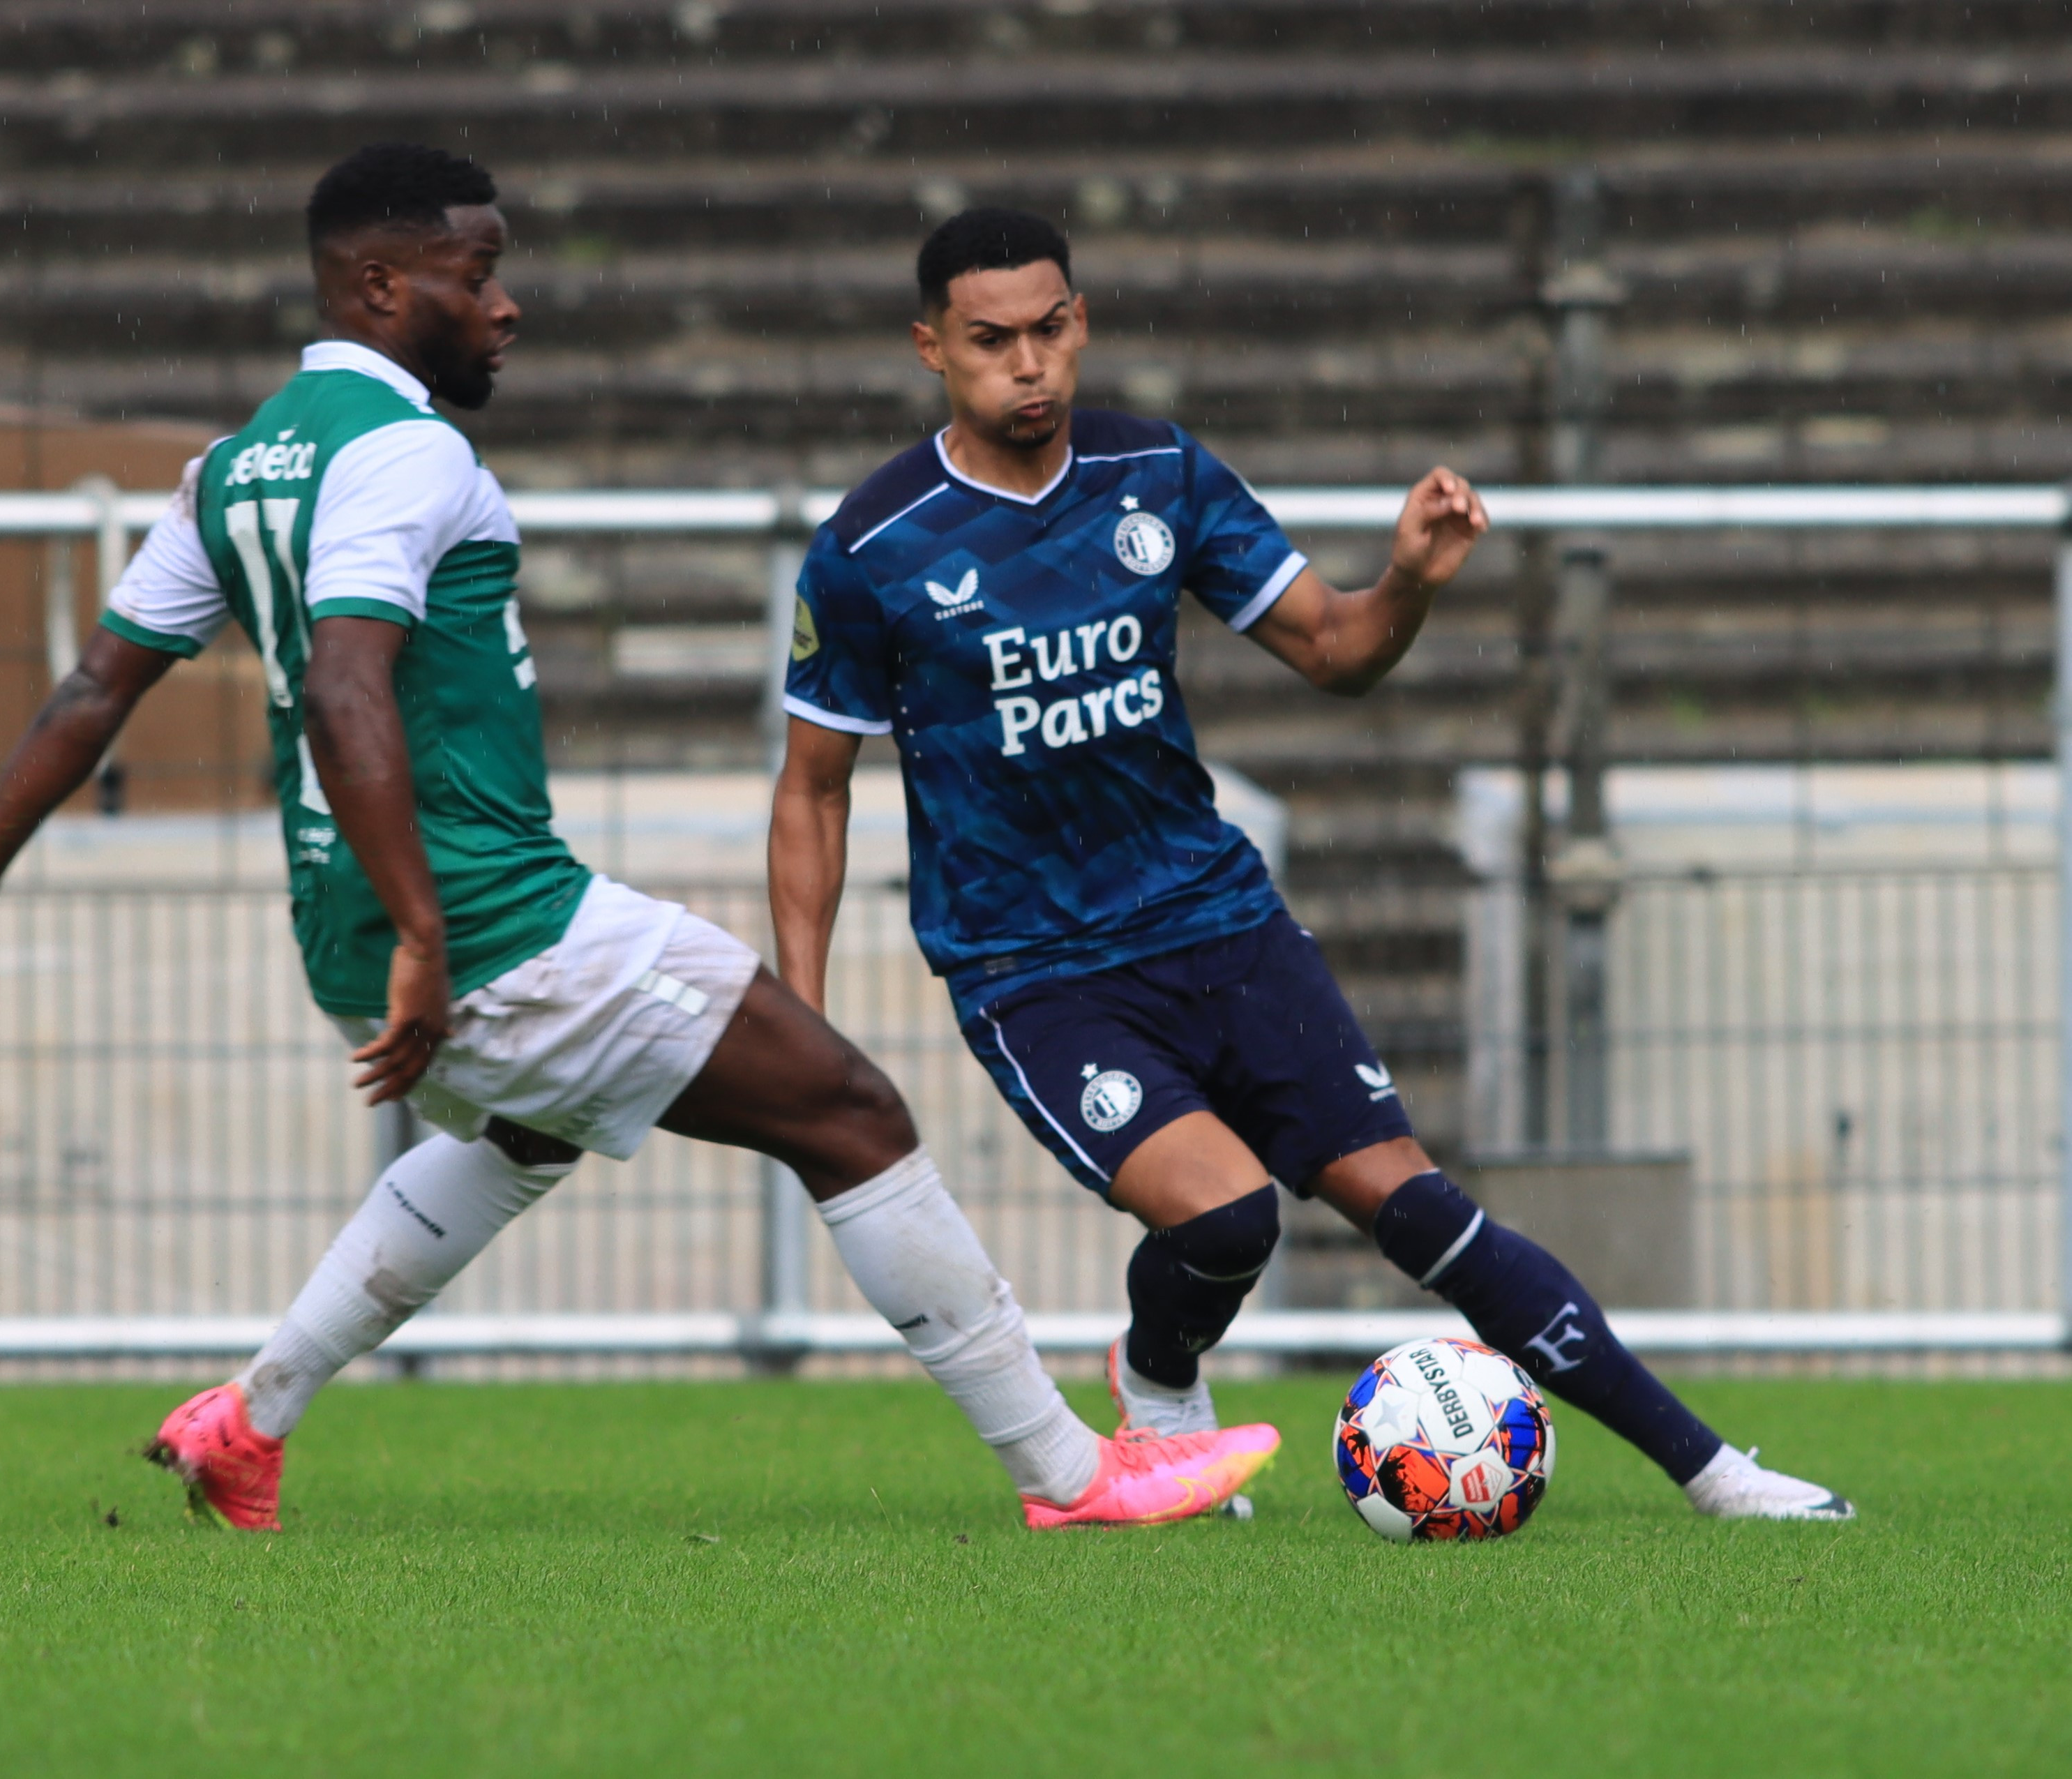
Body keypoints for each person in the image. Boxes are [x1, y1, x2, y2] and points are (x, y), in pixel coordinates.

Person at [0, 149, 1278, 1533]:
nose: (505, 306)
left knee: (528, 1132)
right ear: (381, 287)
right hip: (481, 917)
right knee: (849, 1112)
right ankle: (1072, 1475)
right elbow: (350, 688)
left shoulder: (236, 467)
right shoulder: (406, 454)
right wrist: (428, 931)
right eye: (476, 275)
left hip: (347, 924)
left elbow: (95, 685)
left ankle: (249, 1419)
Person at [767, 207, 1852, 1522]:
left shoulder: (1159, 471)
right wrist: (802, 1021)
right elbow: (812, 791)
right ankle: (1160, 1377)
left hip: (1221, 921)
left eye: (1050, 329)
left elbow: (1336, 650)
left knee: (1426, 1213)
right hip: (1035, 967)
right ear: (932, 347)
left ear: (1083, 320)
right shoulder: (875, 546)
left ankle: (1722, 1476)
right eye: (992, 340)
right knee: (1230, 1220)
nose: (1030, 364)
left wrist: (1408, 583)